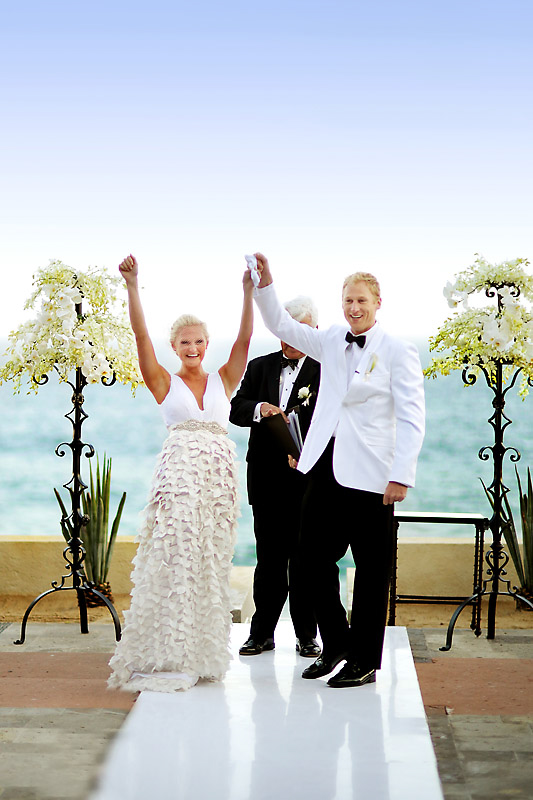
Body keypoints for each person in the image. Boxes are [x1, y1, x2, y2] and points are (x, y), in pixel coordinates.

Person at [252, 253, 425, 688]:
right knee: (308, 560)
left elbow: (411, 416)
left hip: (373, 475)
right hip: (323, 466)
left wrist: (401, 474)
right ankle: (337, 644)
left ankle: (364, 660)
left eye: (362, 300)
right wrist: (265, 284)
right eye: (348, 300)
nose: (354, 307)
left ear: (378, 302)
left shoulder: (398, 350)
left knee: (370, 571)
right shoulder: (329, 339)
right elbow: (281, 325)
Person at [108, 254, 254, 692]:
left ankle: (201, 653)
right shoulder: (162, 381)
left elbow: (246, 340)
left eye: (199, 343)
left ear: (207, 344)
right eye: (185, 344)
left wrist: (248, 293)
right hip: (179, 478)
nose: (192, 349)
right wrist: (133, 286)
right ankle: (168, 653)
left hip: (218, 481)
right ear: (176, 347)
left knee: (209, 562)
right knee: (175, 558)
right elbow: (139, 336)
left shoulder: (225, 379)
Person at [230, 296, 321, 658]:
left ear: (312, 331)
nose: (288, 340)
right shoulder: (260, 367)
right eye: (283, 332)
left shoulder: (326, 369)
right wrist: (259, 408)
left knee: (304, 559)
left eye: (296, 333)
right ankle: (261, 633)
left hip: (309, 479)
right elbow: (236, 408)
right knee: (268, 558)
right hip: (266, 479)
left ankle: (307, 634)